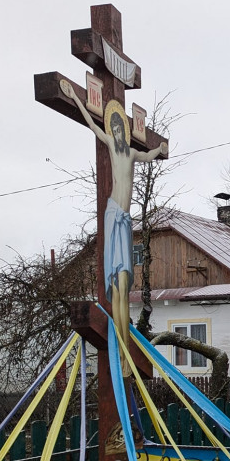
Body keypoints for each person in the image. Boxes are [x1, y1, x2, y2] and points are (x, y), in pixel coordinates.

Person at [60, 79, 166, 375]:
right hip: (113, 214)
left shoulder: (131, 153)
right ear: (112, 130)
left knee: (123, 287)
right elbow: (93, 127)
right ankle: (120, 347)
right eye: (115, 128)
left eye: (121, 128)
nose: (118, 132)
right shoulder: (110, 145)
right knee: (116, 291)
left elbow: (147, 156)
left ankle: (123, 347)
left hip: (125, 221)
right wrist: (77, 100)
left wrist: (158, 149)